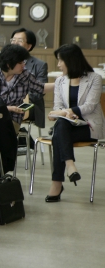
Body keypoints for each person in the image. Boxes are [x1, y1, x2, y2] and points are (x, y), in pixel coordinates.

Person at [46, 44, 105, 202]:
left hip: (89, 126)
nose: (58, 64)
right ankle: (69, 165)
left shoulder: (94, 79)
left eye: (60, 61)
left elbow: (90, 106)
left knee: (58, 132)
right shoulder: (60, 81)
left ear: (71, 61)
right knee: (61, 127)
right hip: (68, 125)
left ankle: (57, 183)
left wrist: (65, 112)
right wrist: (63, 113)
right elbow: (57, 105)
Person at [0, 44, 54, 132]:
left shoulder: (24, 75)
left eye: (24, 61)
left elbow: (41, 87)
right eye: (20, 62)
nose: (23, 65)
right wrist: (9, 108)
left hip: (13, 119)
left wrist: (61, 83)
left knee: (3, 131)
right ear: (8, 64)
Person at [11, 28, 48, 130]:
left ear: (29, 46)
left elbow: (39, 93)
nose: (15, 43)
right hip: (8, 102)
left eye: (19, 41)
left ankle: (16, 138)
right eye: (13, 40)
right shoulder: (4, 62)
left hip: (30, 104)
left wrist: (18, 96)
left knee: (9, 114)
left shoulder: (39, 65)